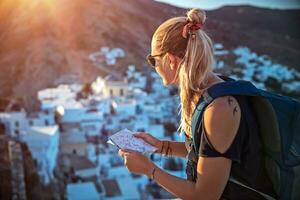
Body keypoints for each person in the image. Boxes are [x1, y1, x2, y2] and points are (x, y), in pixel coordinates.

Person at [118, 8, 277, 199]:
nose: (154, 67)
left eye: (153, 60)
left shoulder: (218, 109)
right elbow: (205, 152)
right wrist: (160, 146)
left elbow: (205, 196)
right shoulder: (210, 89)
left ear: (169, 60)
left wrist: (149, 170)